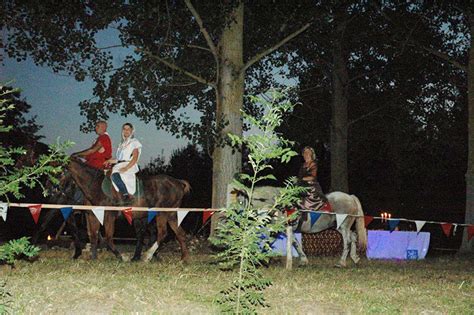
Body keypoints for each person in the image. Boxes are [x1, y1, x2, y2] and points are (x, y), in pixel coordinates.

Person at [105, 123, 142, 201]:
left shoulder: (134, 142)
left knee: (114, 175)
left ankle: (126, 195)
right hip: (119, 165)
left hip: (129, 164)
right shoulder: (121, 144)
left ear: (132, 131)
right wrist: (109, 161)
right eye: (124, 129)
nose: (126, 131)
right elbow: (118, 159)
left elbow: (135, 157)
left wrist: (126, 168)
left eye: (128, 129)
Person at [298, 146, 329, 212]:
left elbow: (313, 177)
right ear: (302, 154)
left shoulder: (313, 164)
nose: (306, 154)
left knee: (305, 196)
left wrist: (302, 179)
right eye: (305, 152)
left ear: (311, 154)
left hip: (311, 186)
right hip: (301, 185)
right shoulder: (303, 165)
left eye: (308, 152)